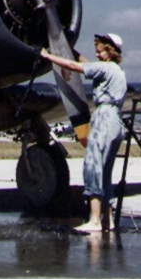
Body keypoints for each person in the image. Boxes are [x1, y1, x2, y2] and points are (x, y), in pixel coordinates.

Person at [40, 33, 126, 232]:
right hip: (116, 121)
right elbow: (84, 62)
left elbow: (74, 67)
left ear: (110, 50)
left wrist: (48, 56)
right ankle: (107, 221)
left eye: (101, 47)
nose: (97, 50)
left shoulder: (104, 68)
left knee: (93, 166)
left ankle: (94, 220)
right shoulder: (115, 71)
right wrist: (65, 47)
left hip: (104, 118)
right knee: (105, 171)